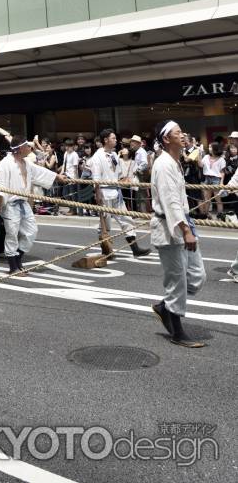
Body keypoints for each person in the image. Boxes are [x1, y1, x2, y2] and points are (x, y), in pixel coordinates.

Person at [150, 121, 207, 347]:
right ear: (166, 139)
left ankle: (166, 306)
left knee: (197, 276)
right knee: (177, 281)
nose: (183, 136)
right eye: (177, 133)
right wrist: (185, 230)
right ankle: (177, 332)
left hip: (184, 223)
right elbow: (170, 201)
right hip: (170, 228)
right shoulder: (163, 164)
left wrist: (187, 226)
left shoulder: (175, 162)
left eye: (183, 132)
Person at [0, 136, 64, 273]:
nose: (30, 148)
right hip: (10, 204)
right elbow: (0, 186)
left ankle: (18, 260)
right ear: (19, 149)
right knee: (12, 234)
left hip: (23, 203)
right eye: (27, 146)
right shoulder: (5, 164)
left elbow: (41, 172)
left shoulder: (27, 163)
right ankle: (13, 267)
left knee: (31, 232)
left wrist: (58, 177)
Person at [88, 129, 150, 258]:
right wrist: (97, 193)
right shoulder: (97, 156)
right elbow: (96, 177)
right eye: (113, 138)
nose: (116, 140)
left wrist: (124, 180)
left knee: (126, 219)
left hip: (116, 191)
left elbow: (118, 173)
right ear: (106, 140)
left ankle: (135, 248)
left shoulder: (114, 154)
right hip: (104, 192)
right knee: (105, 223)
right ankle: (106, 250)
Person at [201, 143, 225, 218]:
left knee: (217, 198)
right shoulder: (205, 157)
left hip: (216, 179)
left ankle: (220, 215)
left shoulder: (221, 159)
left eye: (211, 147)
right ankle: (207, 214)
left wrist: (221, 182)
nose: (209, 148)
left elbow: (222, 172)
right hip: (207, 178)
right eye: (209, 147)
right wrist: (199, 153)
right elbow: (200, 165)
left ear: (215, 148)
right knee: (206, 199)